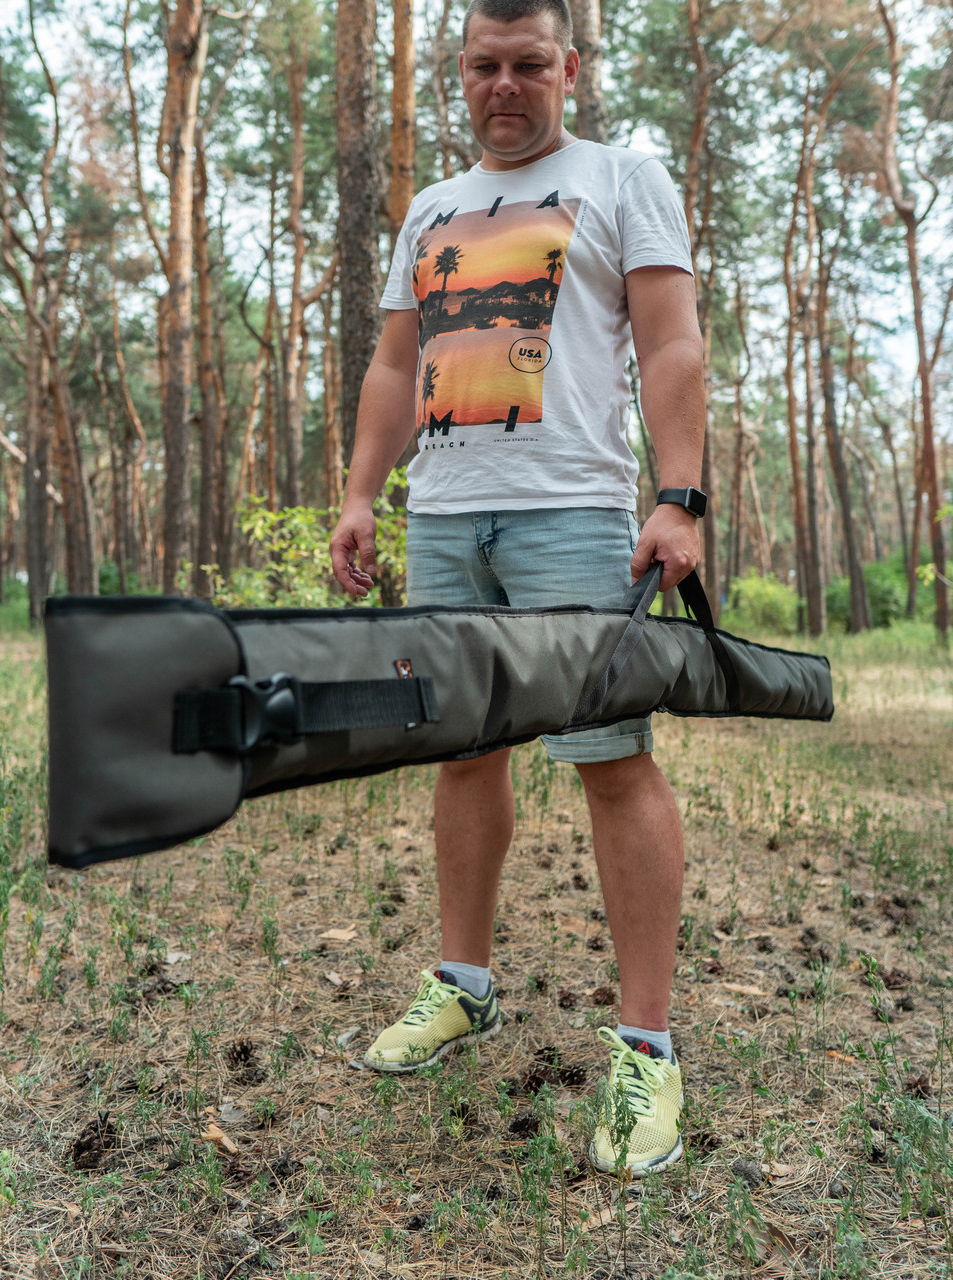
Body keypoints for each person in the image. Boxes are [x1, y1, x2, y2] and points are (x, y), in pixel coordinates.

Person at [328, 0, 705, 1177]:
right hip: (444, 517)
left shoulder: (621, 177)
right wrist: (360, 492)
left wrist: (679, 495)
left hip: (572, 515)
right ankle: (462, 982)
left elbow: (670, 342)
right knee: (462, 752)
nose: (506, 85)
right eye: (485, 65)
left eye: (529, 64)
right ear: (461, 70)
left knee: (610, 758)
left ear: (567, 67)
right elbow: (397, 363)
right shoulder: (432, 208)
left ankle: (646, 1046)